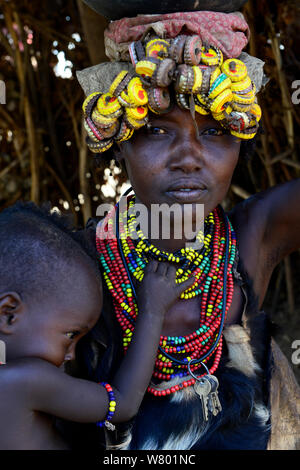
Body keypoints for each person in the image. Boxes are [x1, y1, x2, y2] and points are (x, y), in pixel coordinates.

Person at [74, 8, 300, 450]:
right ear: (120, 143)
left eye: (215, 132)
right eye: (156, 130)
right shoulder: (76, 267)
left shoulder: (254, 239)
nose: (189, 157)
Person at [0, 202, 193, 450]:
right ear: (8, 314)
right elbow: (123, 403)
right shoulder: (24, 380)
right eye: (70, 335)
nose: (71, 354)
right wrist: (153, 312)